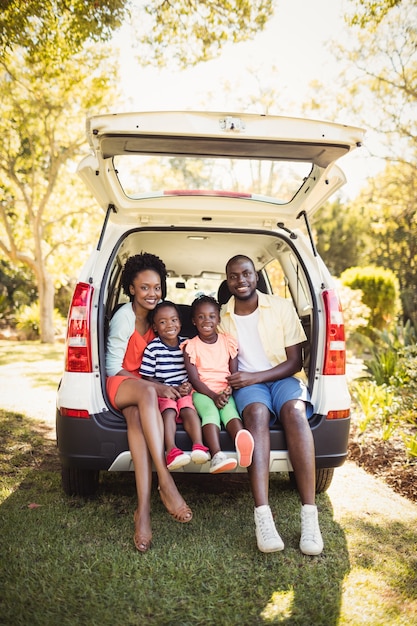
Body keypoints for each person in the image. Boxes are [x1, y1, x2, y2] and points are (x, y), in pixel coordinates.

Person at [219, 254, 323, 555]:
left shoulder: (279, 307)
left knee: (294, 410)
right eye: (234, 276)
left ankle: (309, 517)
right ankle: (263, 516)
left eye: (247, 273)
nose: (241, 280)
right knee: (256, 414)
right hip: (249, 387)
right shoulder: (221, 316)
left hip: (280, 378)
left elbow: (294, 362)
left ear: (256, 276)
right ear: (228, 281)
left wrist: (255, 376)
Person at [105, 252, 193, 554]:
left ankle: (142, 511)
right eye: (144, 288)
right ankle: (166, 482)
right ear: (131, 289)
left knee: (137, 424)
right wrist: (156, 387)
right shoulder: (124, 318)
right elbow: (112, 365)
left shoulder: (158, 322)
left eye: (156, 287)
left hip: (138, 388)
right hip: (120, 383)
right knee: (146, 395)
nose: (152, 293)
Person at [182, 295, 254, 474]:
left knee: (230, 412)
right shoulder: (191, 346)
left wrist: (228, 391)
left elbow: (233, 373)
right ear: (193, 321)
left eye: (212, 316)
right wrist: (214, 396)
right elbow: (195, 380)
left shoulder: (228, 341)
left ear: (219, 319)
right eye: (201, 317)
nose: (207, 321)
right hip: (203, 392)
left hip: (224, 390)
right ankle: (216, 455)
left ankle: (241, 443)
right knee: (211, 413)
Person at [139, 300, 211, 470]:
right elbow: (146, 378)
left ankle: (199, 446)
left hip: (185, 390)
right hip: (165, 392)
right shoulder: (153, 348)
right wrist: (164, 390)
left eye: (174, 320)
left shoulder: (187, 344)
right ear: (155, 327)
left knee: (188, 409)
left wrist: (187, 384)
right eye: (162, 322)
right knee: (169, 411)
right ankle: (171, 449)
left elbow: (196, 370)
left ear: (180, 322)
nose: (169, 325)